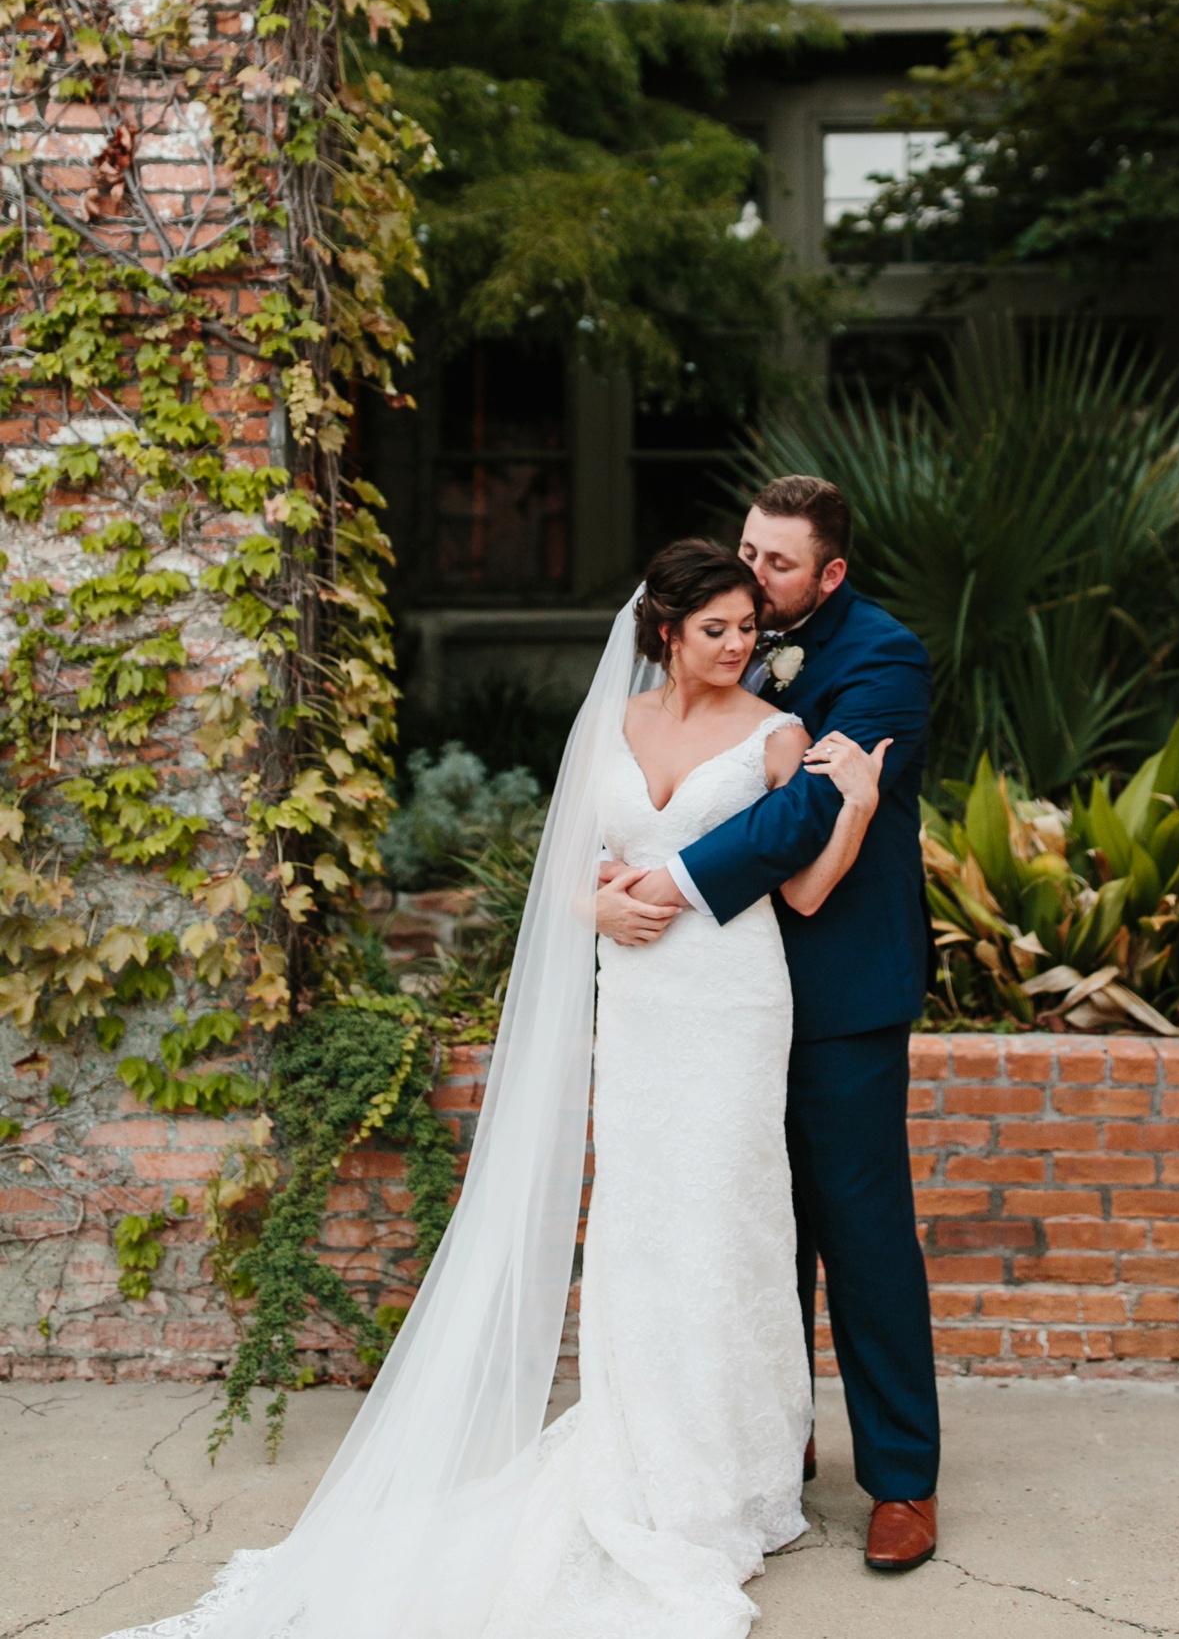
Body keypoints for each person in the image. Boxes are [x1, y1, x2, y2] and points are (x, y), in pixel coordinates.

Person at [101, 531, 900, 1639]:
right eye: (716, 630)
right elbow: (566, 871)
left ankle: (738, 1474)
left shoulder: (780, 734)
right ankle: (640, 1446)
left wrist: (854, 802)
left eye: (750, 631)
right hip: (639, 1009)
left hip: (731, 1004)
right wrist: (600, 909)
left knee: (732, 1221)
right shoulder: (611, 727)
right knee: (636, 1224)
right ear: (663, 632)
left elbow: (806, 893)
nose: (738, 646)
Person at [612, 475, 941, 1576]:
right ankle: (768, 1441)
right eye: (746, 550)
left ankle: (901, 1480)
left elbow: (806, 807)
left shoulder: (885, 659)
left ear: (831, 573)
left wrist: (671, 883)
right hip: (718, 991)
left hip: (837, 985)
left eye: (778, 564)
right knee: (752, 1222)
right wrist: (606, 887)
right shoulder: (725, 636)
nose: (751, 577)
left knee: (861, 1232)